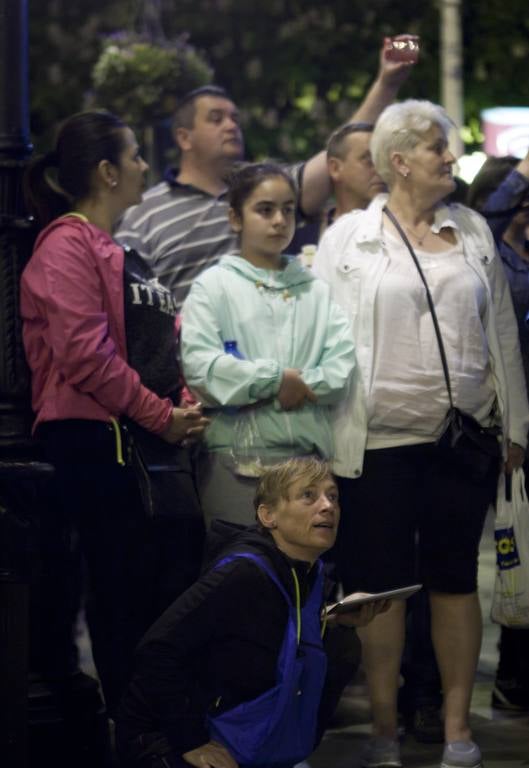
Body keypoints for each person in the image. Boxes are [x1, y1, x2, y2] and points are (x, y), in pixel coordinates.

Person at [313, 99, 529, 768]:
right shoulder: (348, 235)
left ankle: (457, 725)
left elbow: (498, 331)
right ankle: (382, 728)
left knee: (454, 578)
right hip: (372, 440)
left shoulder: (467, 228)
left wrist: (514, 423)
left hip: (459, 438)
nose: (449, 157)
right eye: (437, 146)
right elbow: (321, 334)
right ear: (398, 160)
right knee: (379, 585)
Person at [28, 458, 388, 768]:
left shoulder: (310, 573)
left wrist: (331, 623)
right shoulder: (242, 573)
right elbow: (157, 648)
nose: (327, 506)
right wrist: (190, 741)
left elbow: (270, 642)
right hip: (162, 730)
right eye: (309, 496)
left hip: (222, 723)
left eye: (332, 497)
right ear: (268, 515)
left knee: (340, 646)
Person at [20, 111, 210, 718]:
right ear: (106, 172)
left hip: (133, 439)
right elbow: (85, 357)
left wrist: (179, 400)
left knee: (152, 591)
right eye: (133, 156)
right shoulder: (65, 244)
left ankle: (155, 731)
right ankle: (135, 741)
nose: (144, 167)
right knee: (120, 597)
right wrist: (162, 415)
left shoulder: (115, 248)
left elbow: (148, 346)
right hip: (93, 441)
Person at [114, 38, 417, 308]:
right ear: (184, 138)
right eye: (216, 119)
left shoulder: (267, 190)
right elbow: (125, 303)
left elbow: (337, 154)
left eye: (234, 118)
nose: (231, 125)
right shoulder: (144, 213)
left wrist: (386, 85)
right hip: (185, 363)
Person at [180, 161, 355, 527]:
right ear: (235, 218)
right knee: (239, 569)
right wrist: (277, 380)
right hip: (234, 464)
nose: (279, 220)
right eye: (265, 210)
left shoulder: (315, 288)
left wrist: (295, 384)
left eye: (288, 210)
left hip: (308, 464)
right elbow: (203, 369)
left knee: (302, 576)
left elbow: (341, 370)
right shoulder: (213, 287)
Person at [468, 149, 529, 712]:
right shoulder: (484, 244)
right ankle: (512, 677)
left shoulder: (522, 251)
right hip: (496, 421)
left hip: (523, 418)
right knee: (510, 546)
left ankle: (517, 675)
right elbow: (494, 205)